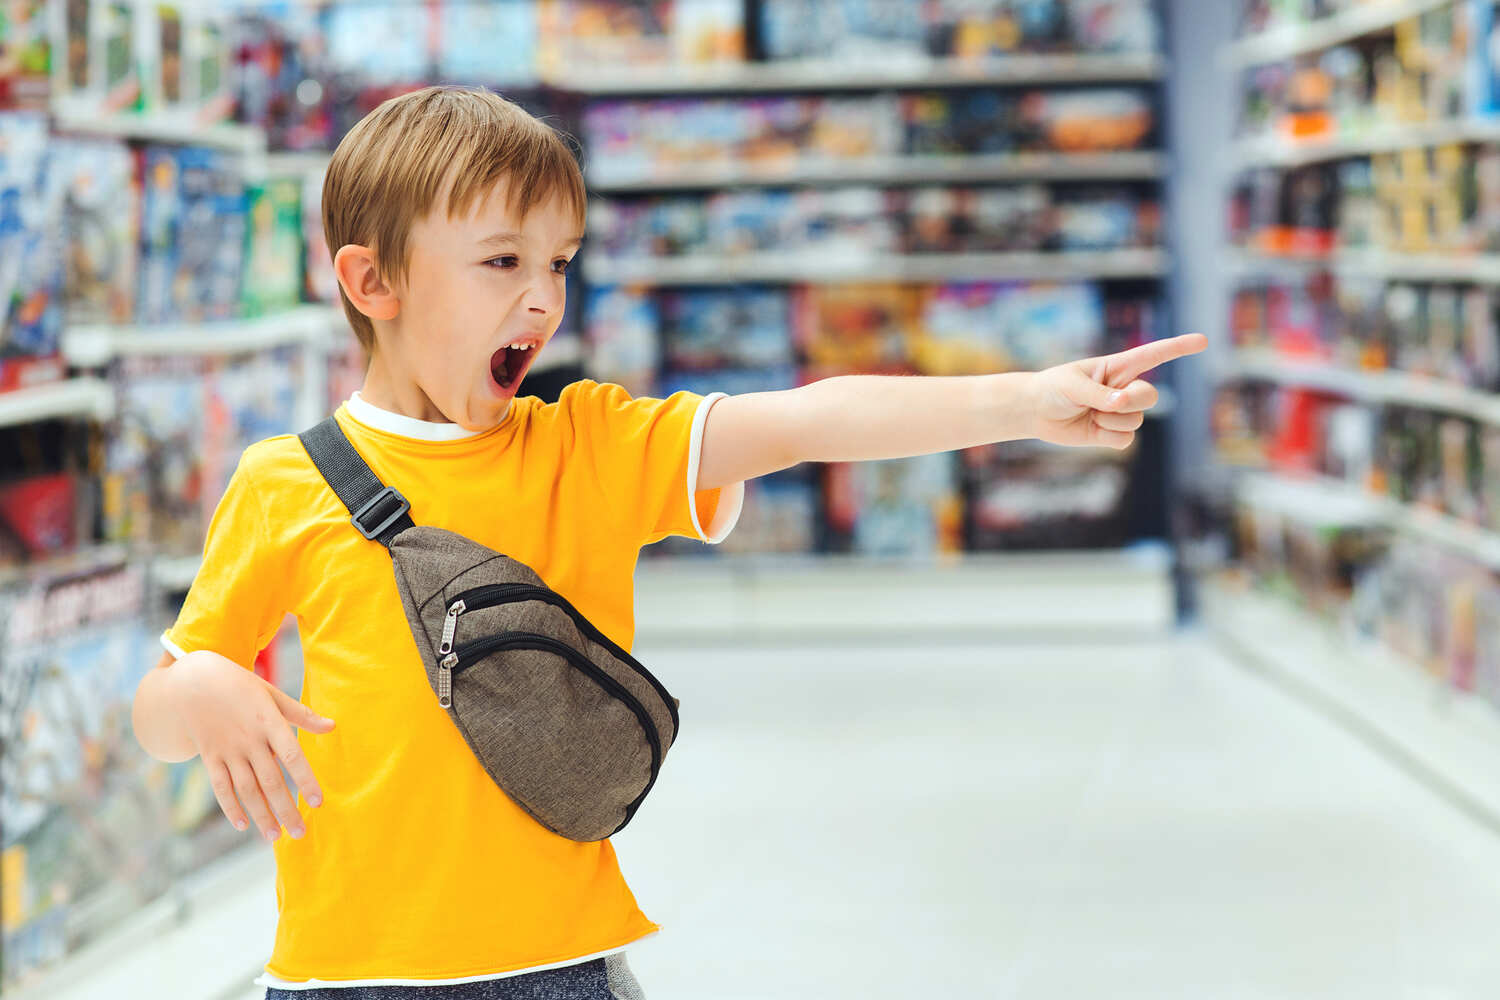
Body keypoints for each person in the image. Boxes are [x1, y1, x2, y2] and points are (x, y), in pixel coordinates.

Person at [130, 86, 1205, 999]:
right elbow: (161, 712)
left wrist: (1026, 398)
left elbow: (808, 419)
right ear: (374, 283)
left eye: (559, 261)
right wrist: (208, 687)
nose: (543, 297)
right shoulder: (285, 481)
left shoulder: (591, 445)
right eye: (502, 260)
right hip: (340, 972)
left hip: (557, 966)